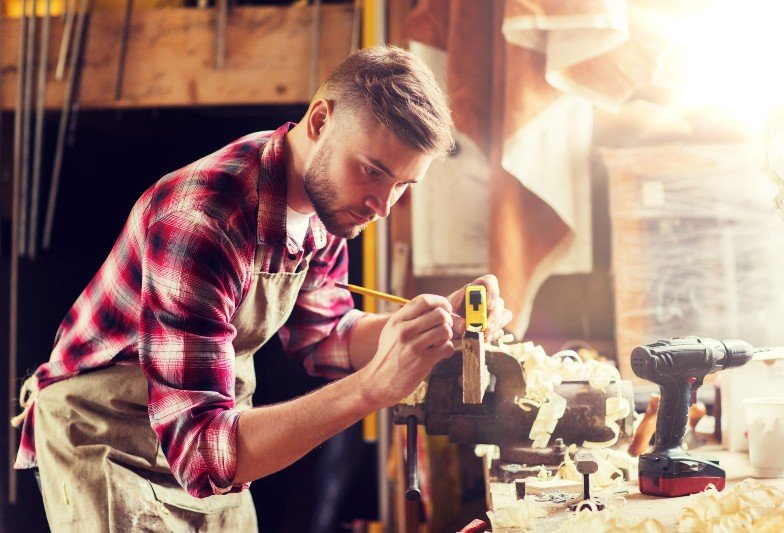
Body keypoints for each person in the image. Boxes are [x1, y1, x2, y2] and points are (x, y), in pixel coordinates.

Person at [11, 45, 512, 531]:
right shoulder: (203, 224)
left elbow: (326, 334)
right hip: (111, 439)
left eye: (403, 184)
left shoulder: (325, 204)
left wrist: (426, 330)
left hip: (210, 431)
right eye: (373, 171)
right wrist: (370, 389)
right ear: (321, 121)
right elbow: (202, 454)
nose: (382, 205)